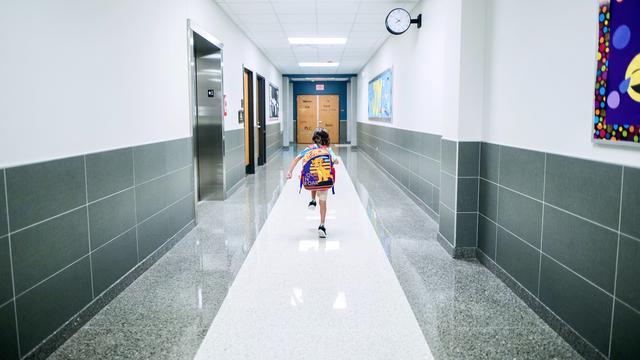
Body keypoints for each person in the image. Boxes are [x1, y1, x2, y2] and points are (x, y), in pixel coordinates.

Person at [287, 128, 339, 238]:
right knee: (323, 202)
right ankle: (322, 225)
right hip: (324, 180)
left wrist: (289, 172)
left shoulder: (309, 148)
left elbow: (296, 159)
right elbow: (336, 161)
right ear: (326, 139)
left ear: (314, 139)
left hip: (311, 180)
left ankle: (312, 200)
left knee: (313, 177)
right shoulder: (328, 149)